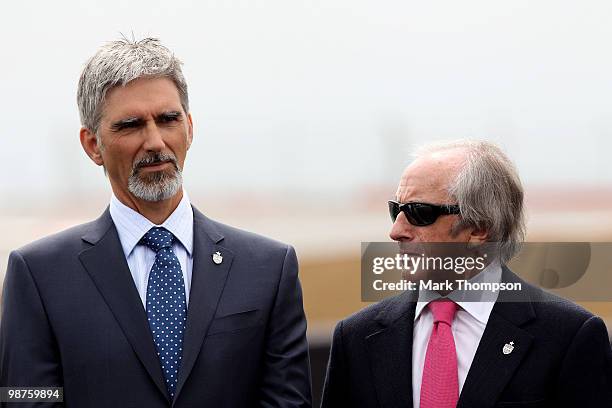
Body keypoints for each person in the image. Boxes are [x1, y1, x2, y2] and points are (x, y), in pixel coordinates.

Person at [0, 38, 312, 407]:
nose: (154, 141)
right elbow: (26, 399)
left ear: (190, 128)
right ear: (92, 145)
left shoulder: (268, 269)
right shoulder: (39, 276)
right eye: (131, 125)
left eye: (167, 119)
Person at [321, 140, 612, 407]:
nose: (396, 231)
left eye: (419, 213)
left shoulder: (568, 337)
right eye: (395, 210)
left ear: (479, 229)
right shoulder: (356, 337)